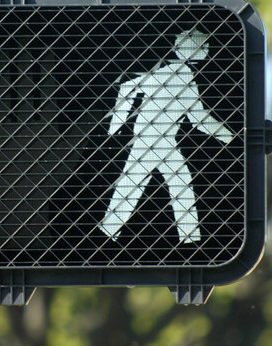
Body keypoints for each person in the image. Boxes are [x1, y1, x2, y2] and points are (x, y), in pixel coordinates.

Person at [99, 29, 234, 243]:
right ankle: (189, 237)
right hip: (154, 139)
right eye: (202, 46)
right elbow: (198, 118)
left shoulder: (178, 73)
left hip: (159, 139)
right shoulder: (177, 73)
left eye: (205, 46)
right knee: (164, 185)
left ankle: (109, 231)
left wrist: (116, 124)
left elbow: (196, 117)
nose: (206, 50)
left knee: (140, 185)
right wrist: (114, 124)